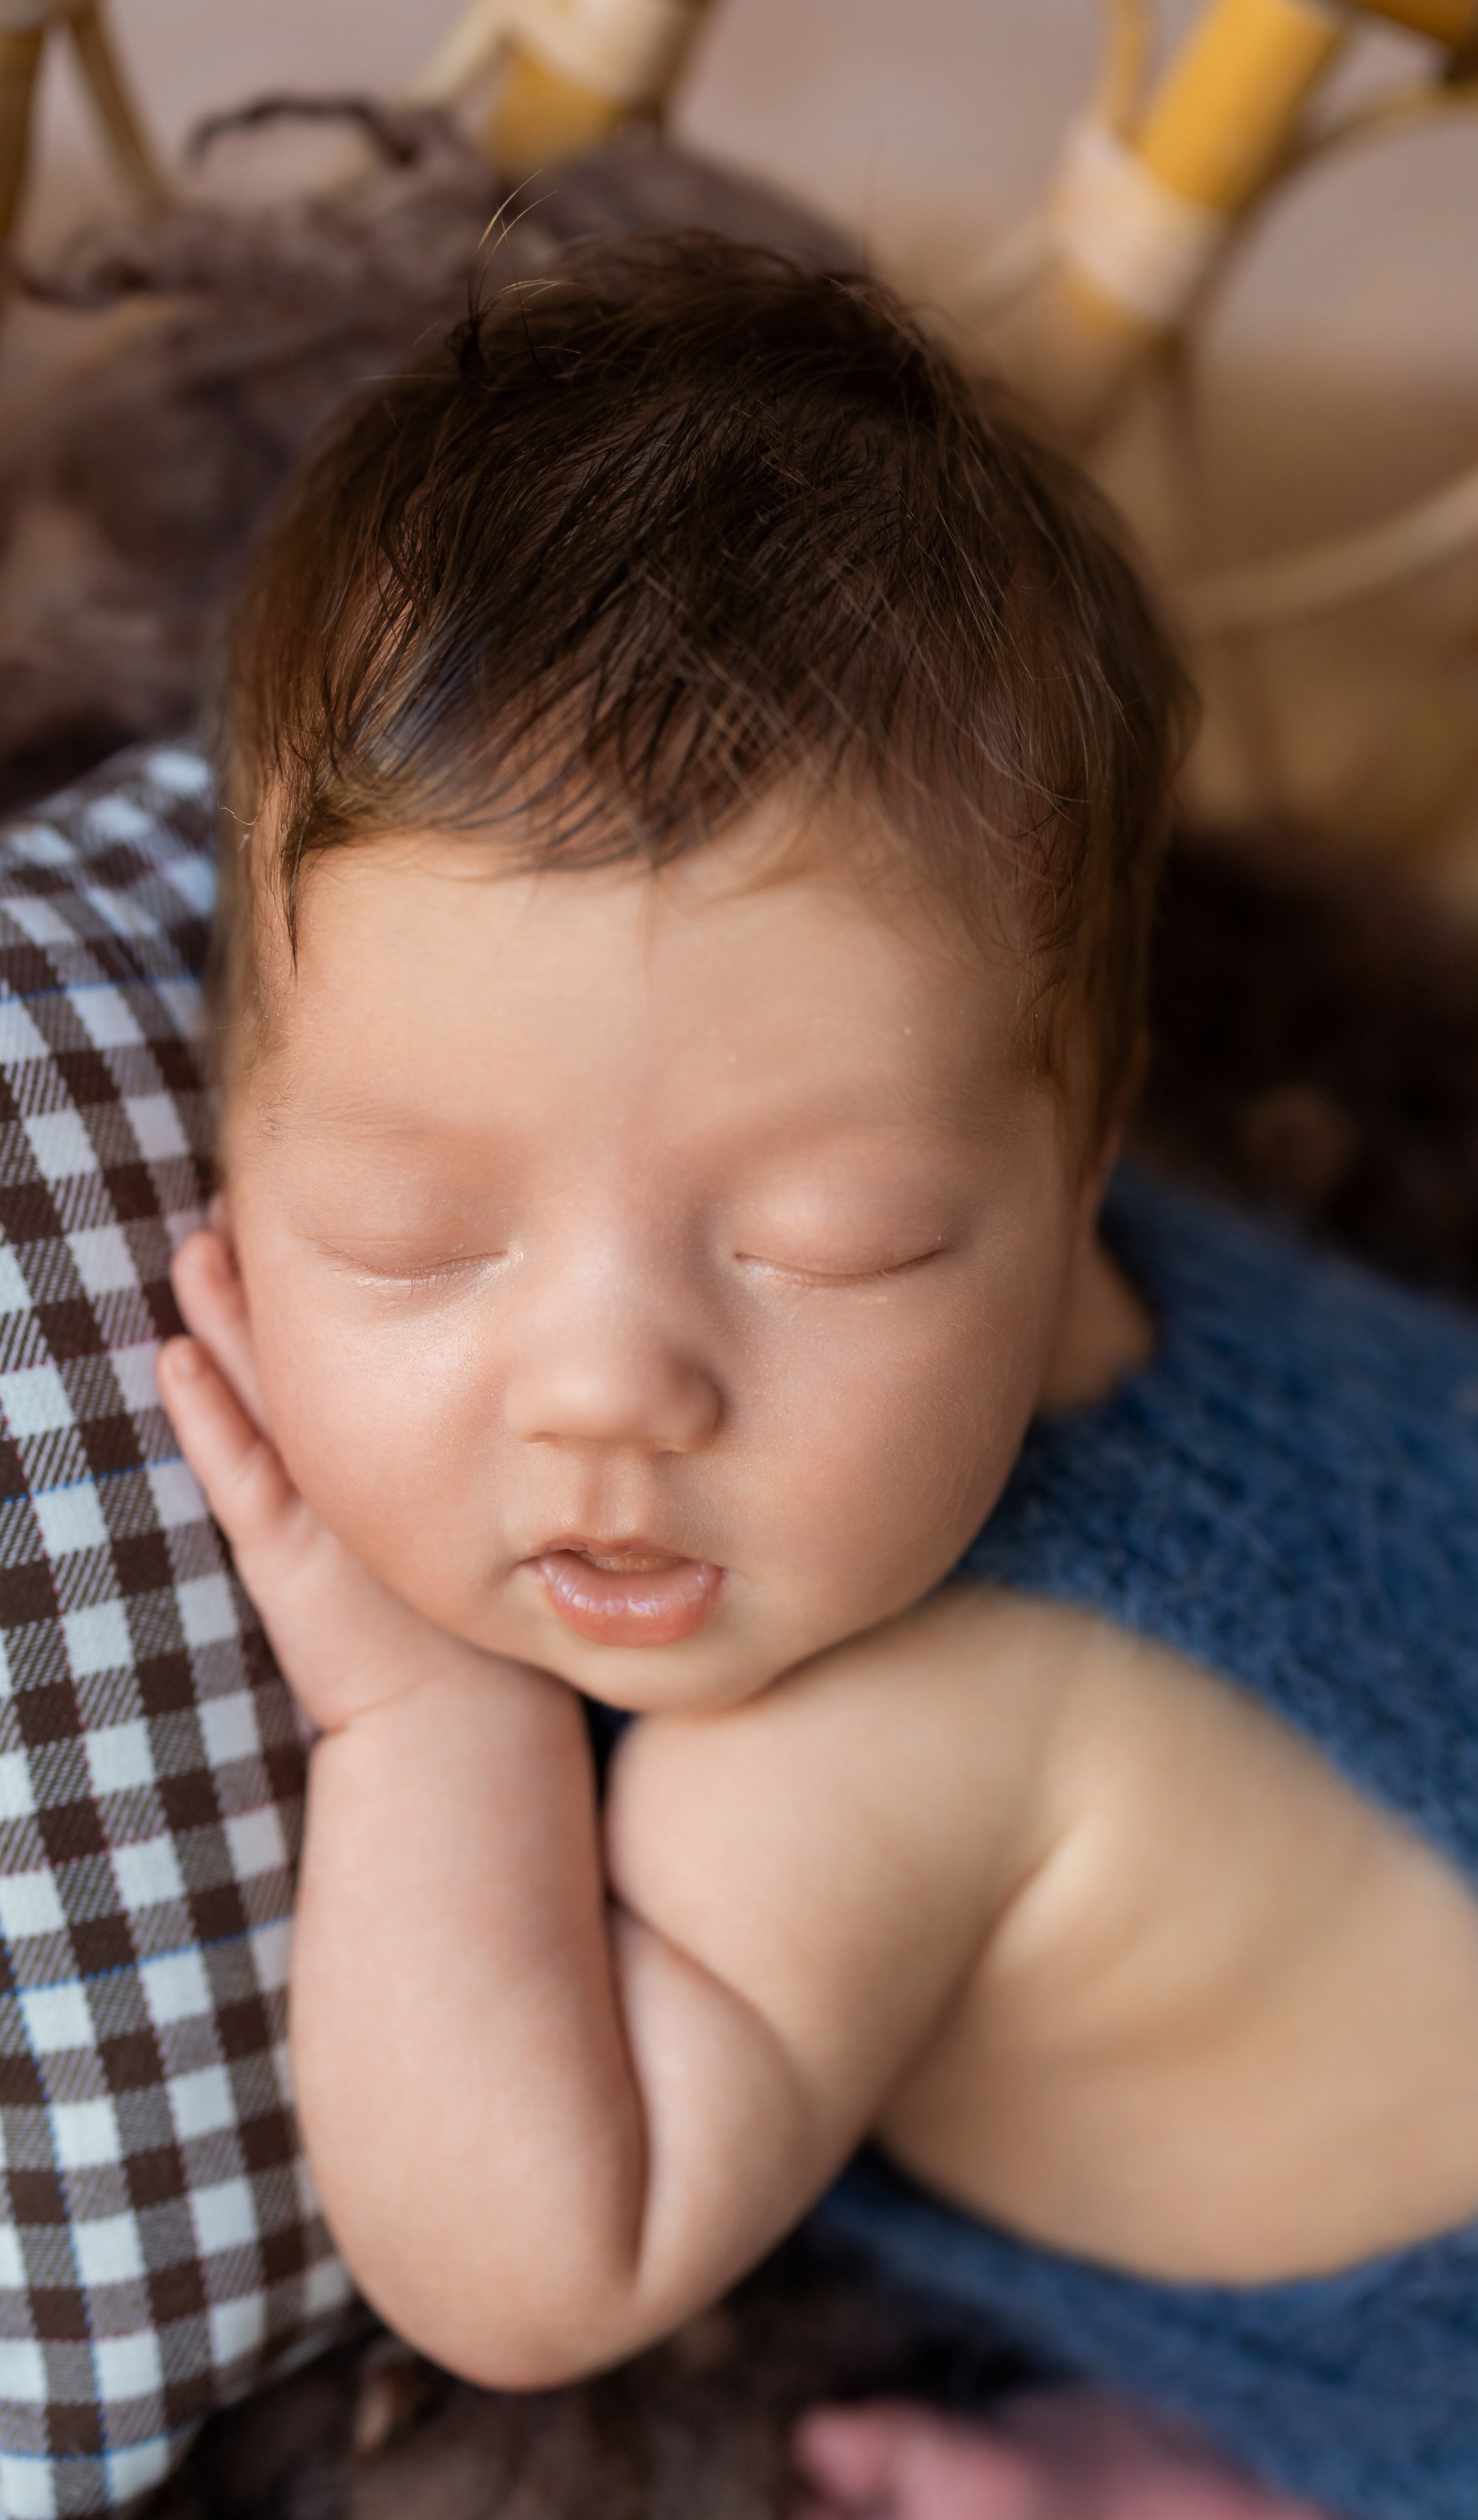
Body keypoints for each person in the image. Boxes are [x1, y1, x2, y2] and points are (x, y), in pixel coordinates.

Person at [154, 236, 1478, 2520]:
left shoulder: (848, 1750)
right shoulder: (1034, 1253)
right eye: (415, 1237)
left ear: (1081, 1168)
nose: (609, 1388)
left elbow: (537, 2262)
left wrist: (422, 1718)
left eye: (827, 1246)